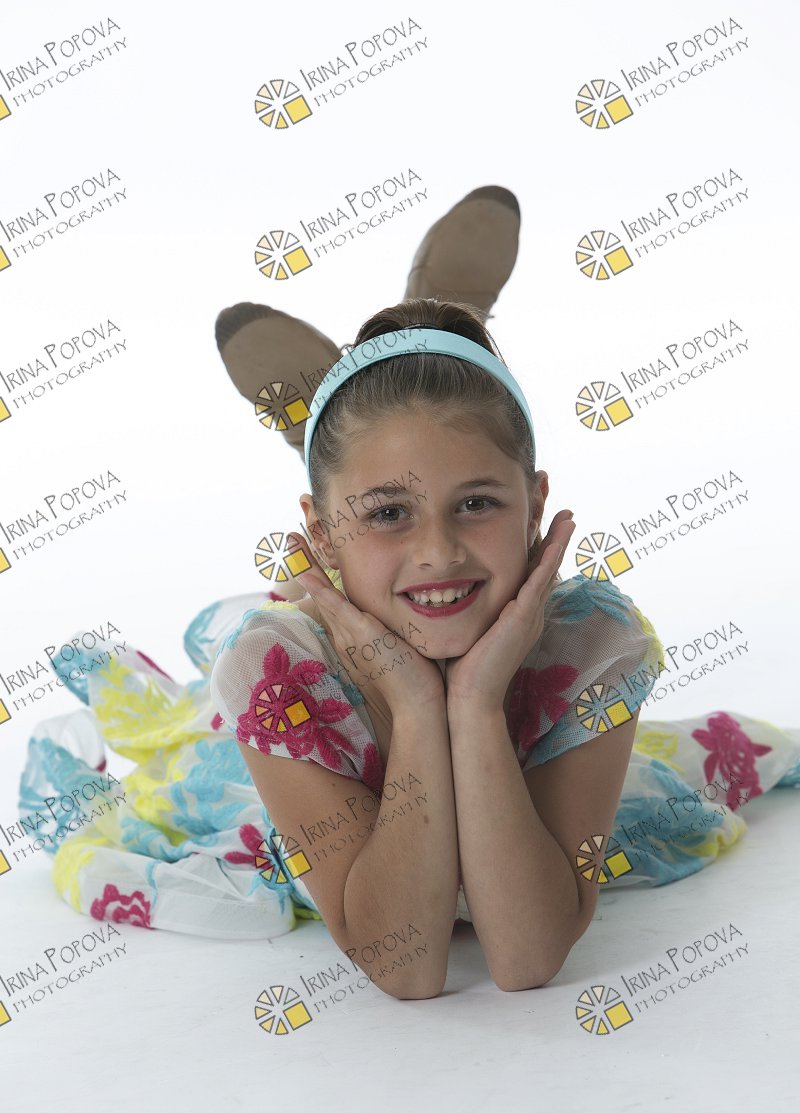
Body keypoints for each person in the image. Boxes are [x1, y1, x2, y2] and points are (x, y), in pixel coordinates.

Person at [16, 189, 800, 998]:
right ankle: (398, 362)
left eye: (478, 503)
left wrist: (477, 705)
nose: (439, 552)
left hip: (393, 601)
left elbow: (529, 958)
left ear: (536, 505)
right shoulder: (274, 673)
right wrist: (417, 706)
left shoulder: (594, 642)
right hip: (327, 660)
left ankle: (411, 350)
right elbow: (406, 970)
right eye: (390, 512)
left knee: (406, 458)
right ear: (320, 535)